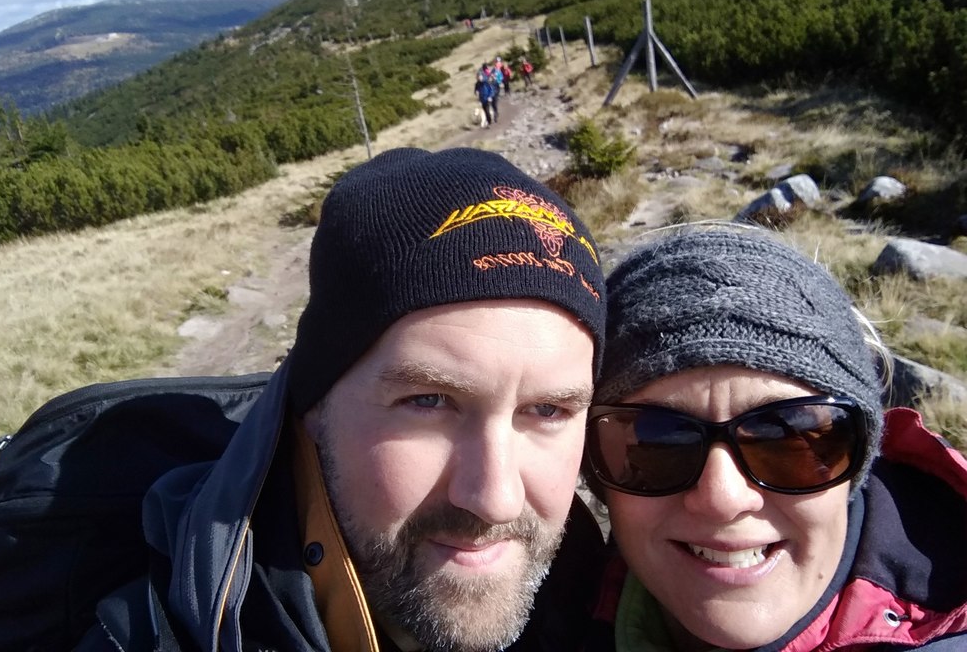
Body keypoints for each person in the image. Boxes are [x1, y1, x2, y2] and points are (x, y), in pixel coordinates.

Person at [80, 147, 608, 651]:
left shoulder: (606, 596)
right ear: (313, 403)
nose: (496, 499)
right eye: (428, 400)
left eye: (548, 410)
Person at [582, 226, 967, 651]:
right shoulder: (552, 607)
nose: (722, 498)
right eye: (660, 441)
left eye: (787, 434)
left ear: (858, 456)